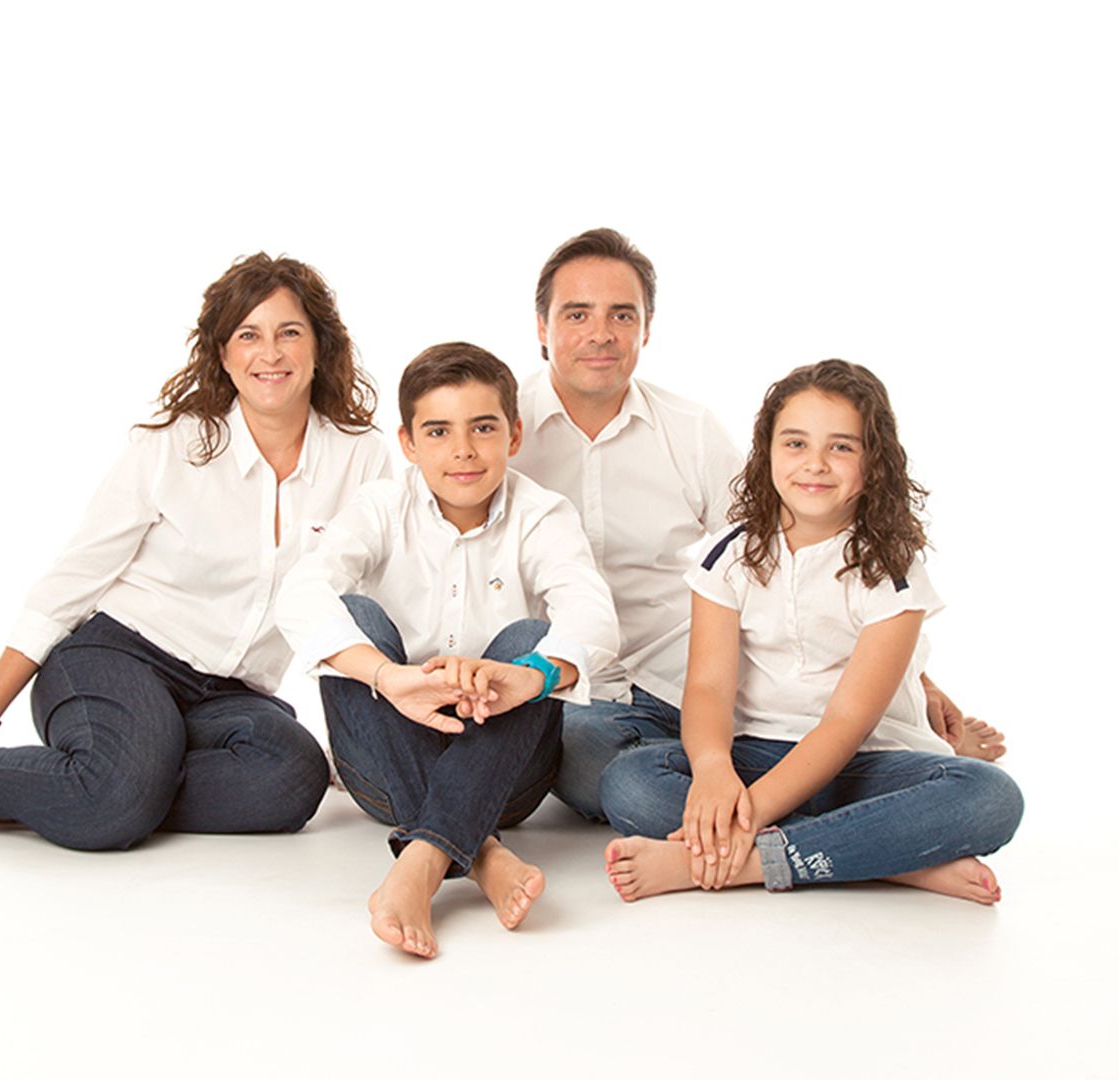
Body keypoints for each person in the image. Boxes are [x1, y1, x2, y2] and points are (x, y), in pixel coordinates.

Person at [0, 253, 391, 850]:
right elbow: (70, 584)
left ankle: (82, 785)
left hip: (232, 696)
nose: (270, 354)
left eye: (289, 332)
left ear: (320, 346)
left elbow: (368, 599)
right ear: (223, 354)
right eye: (248, 335)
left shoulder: (362, 456)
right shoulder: (171, 447)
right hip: (117, 660)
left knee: (292, 778)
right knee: (116, 797)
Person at [511, 227, 1004, 822]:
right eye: (577, 313)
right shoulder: (494, 430)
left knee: (643, 778)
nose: (600, 334)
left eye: (622, 314)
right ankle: (845, 811)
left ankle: (756, 799)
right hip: (583, 691)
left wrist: (912, 680)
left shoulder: (690, 430)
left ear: (646, 328)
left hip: (693, 682)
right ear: (542, 327)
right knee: (593, 765)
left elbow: (786, 552)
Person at [600, 360, 1023, 903]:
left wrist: (744, 819)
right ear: (768, 452)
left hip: (866, 759)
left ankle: (751, 863)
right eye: (795, 444)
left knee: (990, 796)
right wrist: (711, 771)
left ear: (875, 462)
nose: (815, 465)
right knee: (630, 781)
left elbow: (845, 724)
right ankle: (885, 855)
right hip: (758, 752)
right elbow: (707, 687)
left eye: (841, 447)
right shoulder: (729, 558)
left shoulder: (892, 571)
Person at [276, 343, 619, 958]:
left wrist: (528, 677)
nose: (463, 450)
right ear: (408, 443)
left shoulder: (543, 513)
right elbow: (300, 593)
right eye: (439, 431)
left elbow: (592, 612)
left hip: (508, 774)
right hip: (383, 766)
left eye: (482, 428)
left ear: (513, 435)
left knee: (528, 640)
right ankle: (481, 853)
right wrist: (389, 677)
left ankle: (423, 858)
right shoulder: (382, 506)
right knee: (354, 616)